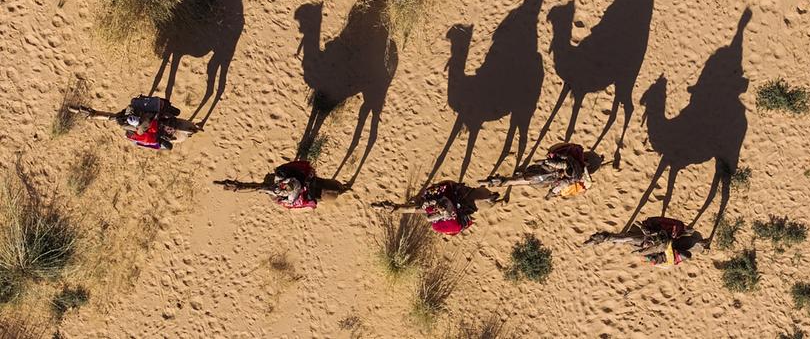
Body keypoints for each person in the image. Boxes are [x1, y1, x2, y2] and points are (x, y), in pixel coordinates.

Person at [372, 181, 503, 235]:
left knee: (418, 209)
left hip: (446, 209)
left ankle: (391, 208)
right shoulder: (435, 208)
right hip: (448, 208)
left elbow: (422, 211)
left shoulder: (432, 213)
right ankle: (391, 208)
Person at [69, 95, 195, 150]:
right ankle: (91, 114)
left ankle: (91, 114)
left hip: (141, 120)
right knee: (113, 118)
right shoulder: (141, 126)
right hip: (141, 121)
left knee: (113, 118)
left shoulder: (139, 124)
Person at [480, 143, 594, 199]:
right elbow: (559, 162)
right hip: (556, 165)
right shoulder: (568, 162)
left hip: (556, 175)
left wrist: (550, 193)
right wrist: (550, 162)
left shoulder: (571, 178)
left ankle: (496, 181)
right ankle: (496, 181)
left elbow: (559, 185)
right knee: (544, 163)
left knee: (552, 182)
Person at [215, 160, 346, 210]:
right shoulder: (290, 184)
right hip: (296, 186)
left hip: (298, 189)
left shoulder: (293, 190)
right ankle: (235, 186)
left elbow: (293, 198)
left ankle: (235, 186)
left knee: (262, 188)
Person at [584, 217, 704, 266]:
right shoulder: (676, 233)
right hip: (654, 237)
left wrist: (653, 252)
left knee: (630, 239)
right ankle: (603, 238)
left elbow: (654, 259)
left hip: (653, 244)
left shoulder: (670, 257)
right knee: (628, 238)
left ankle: (604, 238)